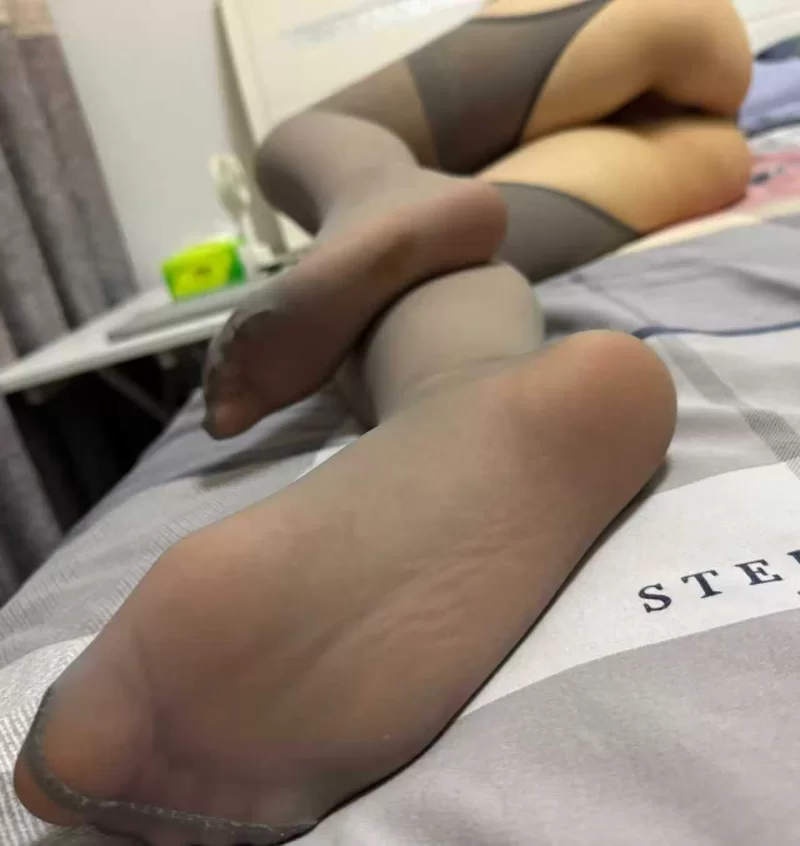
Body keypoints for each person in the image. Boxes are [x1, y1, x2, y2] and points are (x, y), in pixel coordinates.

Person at [15, 1, 751, 845]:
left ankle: (396, 237)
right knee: (700, 111)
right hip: (684, 97)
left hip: (662, 111)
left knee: (308, 144)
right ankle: (434, 318)